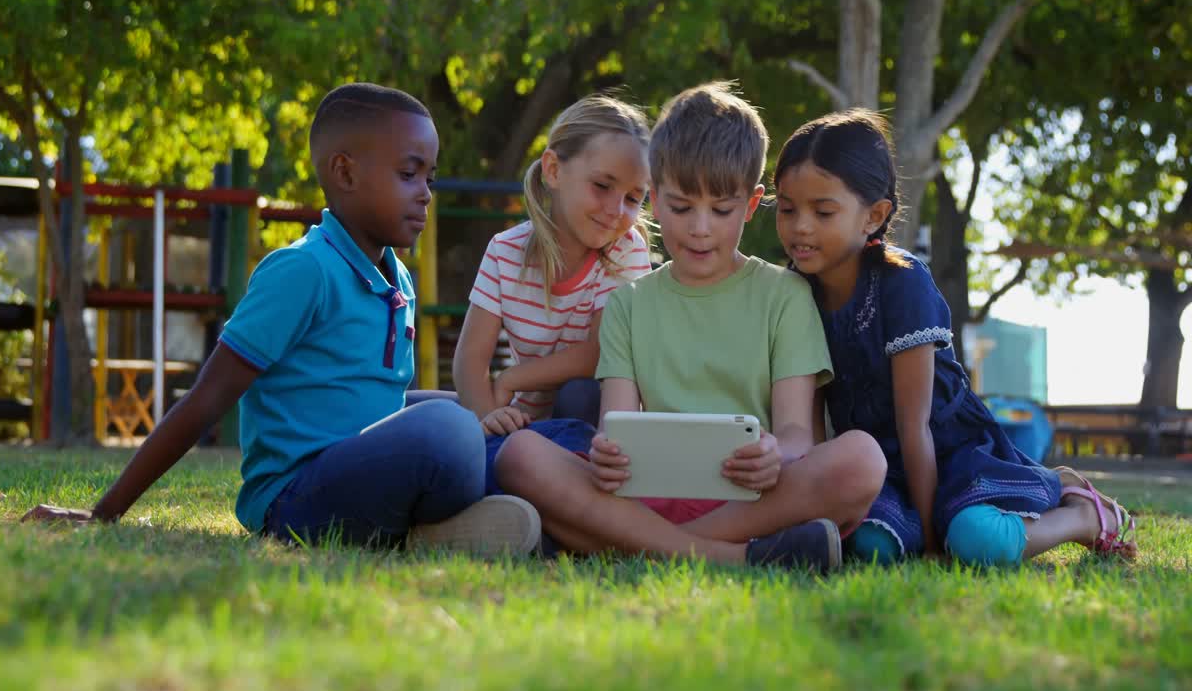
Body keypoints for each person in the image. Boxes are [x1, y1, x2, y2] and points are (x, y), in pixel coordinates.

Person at [23, 83, 541, 557]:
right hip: (296, 502)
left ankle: (447, 530)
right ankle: (438, 524)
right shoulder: (301, 270)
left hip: (364, 471)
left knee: (475, 415)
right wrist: (103, 512)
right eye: (409, 174)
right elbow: (208, 398)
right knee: (449, 427)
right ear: (345, 172)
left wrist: (478, 417)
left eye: (429, 177)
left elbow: (376, 403)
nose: (426, 193)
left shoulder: (397, 279)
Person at [493, 83, 888, 571]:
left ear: (750, 204)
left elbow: (796, 435)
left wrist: (775, 453)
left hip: (750, 502)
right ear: (655, 201)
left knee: (861, 460)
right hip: (647, 497)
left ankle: (632, 546)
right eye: (681, 207)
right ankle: (738, 559)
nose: (700, 228)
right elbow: (615, 429)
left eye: (721, 210)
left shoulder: (785, 296)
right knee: (520, 455)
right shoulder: (628, 306)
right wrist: (607, 456)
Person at [772, 108, 1137, 565]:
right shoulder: (793, 291)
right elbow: (809, 422)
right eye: (787, 209)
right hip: (878, 468)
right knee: (871, 548)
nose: (800, 226)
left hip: (950, 453)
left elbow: (915, 425)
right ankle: (929, 521)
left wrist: (929, 544)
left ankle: (1083, 513)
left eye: (822, 211)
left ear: (874, 216)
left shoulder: (901, 284)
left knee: (975, 542)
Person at [452, 94, 654, 492]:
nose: (616, 209)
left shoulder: (626, 250)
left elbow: (599, 352)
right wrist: (489, 416)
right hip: (528, 425)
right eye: (602, 186)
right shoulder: (505, 251)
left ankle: (562, 501)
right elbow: (470, 360)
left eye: (633, 198)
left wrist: (512, 378)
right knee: (433, 417)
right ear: (553, 170)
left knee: (580, 395)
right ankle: (504, 491)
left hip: (595, 429)